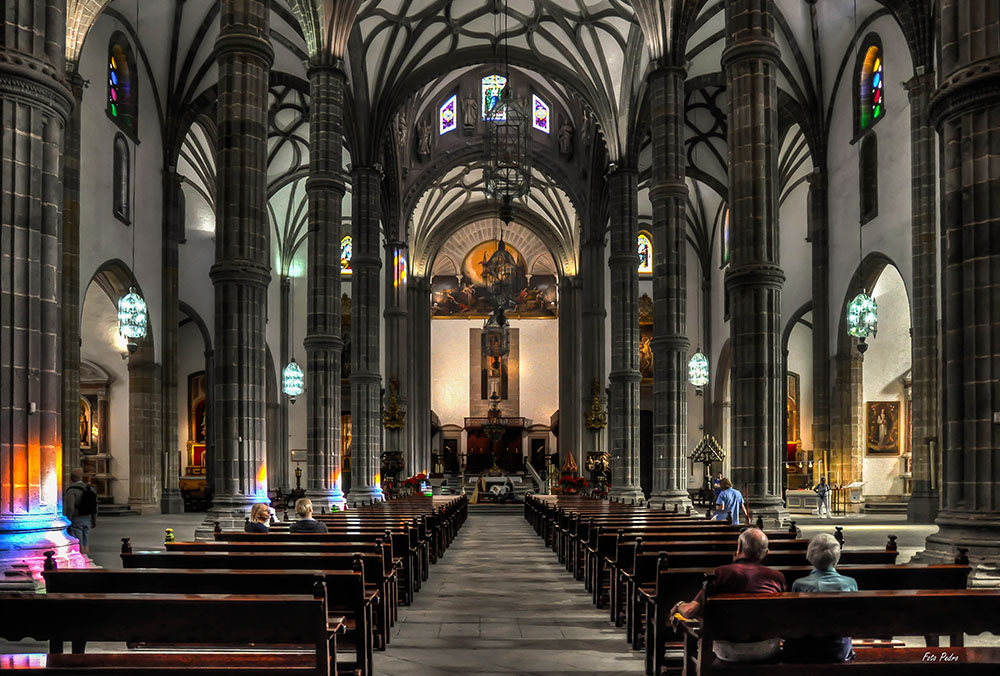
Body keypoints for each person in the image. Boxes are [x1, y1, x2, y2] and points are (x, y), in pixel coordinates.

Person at [672, 528, 786, 663]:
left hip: (729, 649)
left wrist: (679, 606)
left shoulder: (721, 574)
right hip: (768, 648)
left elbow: (690, 612)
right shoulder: (777, 577)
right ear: (766, 553)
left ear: (738, 548)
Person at [783, 533, 857, 662]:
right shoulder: (850, 584)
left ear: (810, 556)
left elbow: (794, 619)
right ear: (836, 556)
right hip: (838, 649)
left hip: (805, 649)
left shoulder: (799, 585)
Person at [63, 469, 97, 555]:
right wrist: (94, 519)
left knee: (78, 540)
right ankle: (87, 556)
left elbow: (70, 507)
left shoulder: (71, 490)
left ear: (71, 478)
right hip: (88, 517)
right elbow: (95, 506)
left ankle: (81, 558)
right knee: (86, 540)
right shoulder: (89, 489)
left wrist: (68, 520)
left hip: (77, 518)